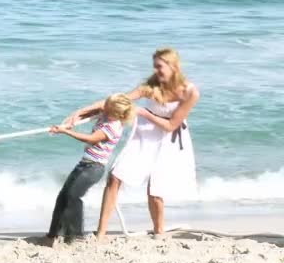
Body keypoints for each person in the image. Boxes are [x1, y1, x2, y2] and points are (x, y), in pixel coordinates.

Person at [62, 47, 200, 241]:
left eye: (160, 67)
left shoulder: (190, 92)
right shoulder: (150, 86)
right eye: (154, 66)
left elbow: (170, 125)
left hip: (168, 139)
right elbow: (116, 102)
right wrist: (81, 112)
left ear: (173, 66)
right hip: (144, 135)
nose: (156, 71)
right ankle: (101, 234)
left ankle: (158, 231)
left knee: (156, 188)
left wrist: (144, 113)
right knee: (115, 176)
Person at [46, 94, 134, 246]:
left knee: (74, 196)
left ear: (117, 114)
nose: (104, 109)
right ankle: (53, 234)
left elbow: (91, 139)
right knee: (62, 196)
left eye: (108, 108)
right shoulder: (106, 114)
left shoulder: (112, 126)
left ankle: (75, 236)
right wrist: (73, 119)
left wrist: (65, 131)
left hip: (95, 167)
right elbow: (92, 111)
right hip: (84, 164)